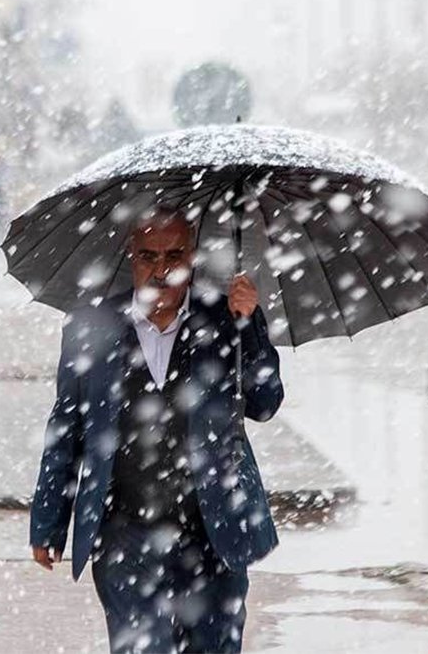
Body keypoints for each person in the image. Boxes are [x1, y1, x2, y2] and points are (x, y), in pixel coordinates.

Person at [29, 209, 284, 653]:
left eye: (174, 256)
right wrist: (48, 524)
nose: (161, 270)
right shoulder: (91, 327)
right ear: (131, 257)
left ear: (192, 257)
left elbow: (264, 405)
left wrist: (251, 325)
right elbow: (67, 428)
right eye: (148, 256)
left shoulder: (226, 318)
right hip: (123, 530)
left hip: (212, 529)